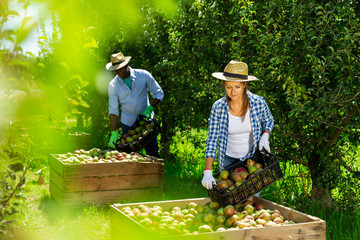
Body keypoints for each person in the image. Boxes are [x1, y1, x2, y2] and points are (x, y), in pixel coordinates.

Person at [201, 60, 274, 190]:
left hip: (252, 157)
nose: (232, 91)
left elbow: (269, 120)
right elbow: (212, 140)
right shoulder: (218, 107)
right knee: (230, 196)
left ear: (244, 85)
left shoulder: (258, 103)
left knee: (251, 199)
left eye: (237, 87)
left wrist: (265, 135)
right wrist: (208, 171)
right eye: (228, 87)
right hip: (228, 159)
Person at [106, 52, 164, 157]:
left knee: (153, 154)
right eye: (117, 70)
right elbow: (113, 109)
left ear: (127, 64)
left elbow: (158, 93)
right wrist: (113, 132)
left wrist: (150, 108)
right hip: (128, 124)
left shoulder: (143, 75)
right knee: (128, 157)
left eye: (122, 68)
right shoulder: (113, 85)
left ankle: (154, 173)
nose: (120, 71)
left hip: (146, 123)